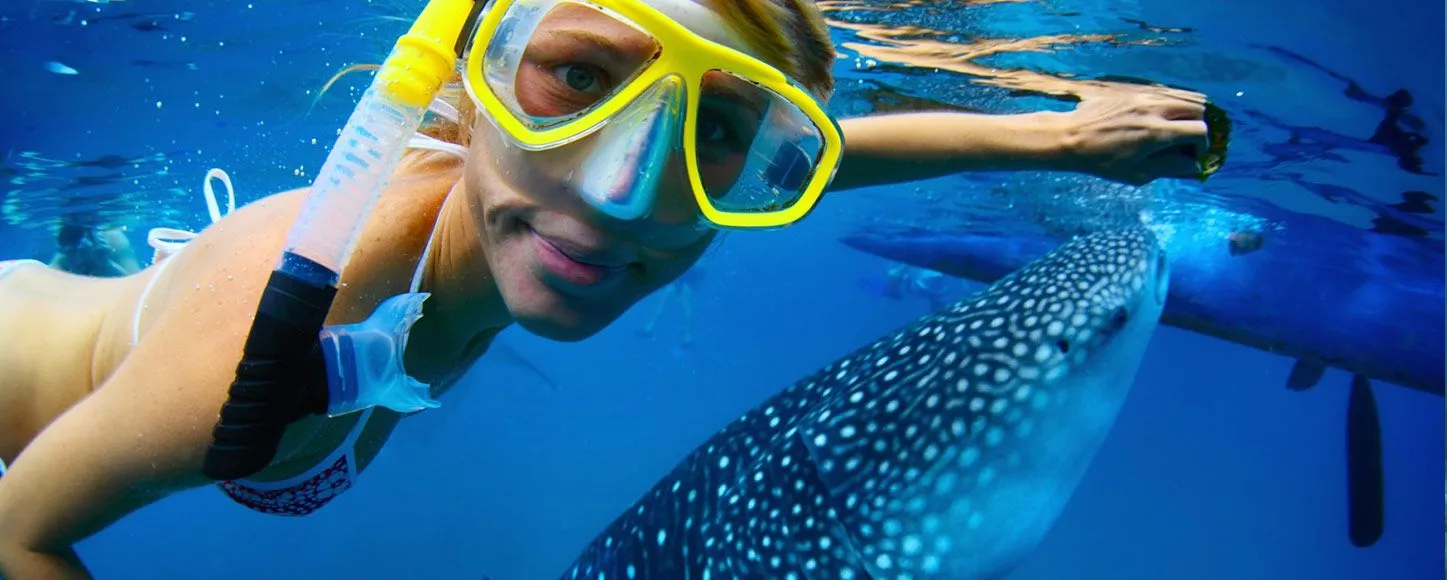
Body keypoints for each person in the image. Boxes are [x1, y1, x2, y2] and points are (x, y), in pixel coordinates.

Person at [0, 0, 1211, 575]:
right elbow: (19, 531)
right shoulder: (265, 332)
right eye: (577, 77)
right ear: (469, 88)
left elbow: (830, 157)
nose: (625, 190)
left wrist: (1051, 138)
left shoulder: (538, 198)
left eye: (723, 131)